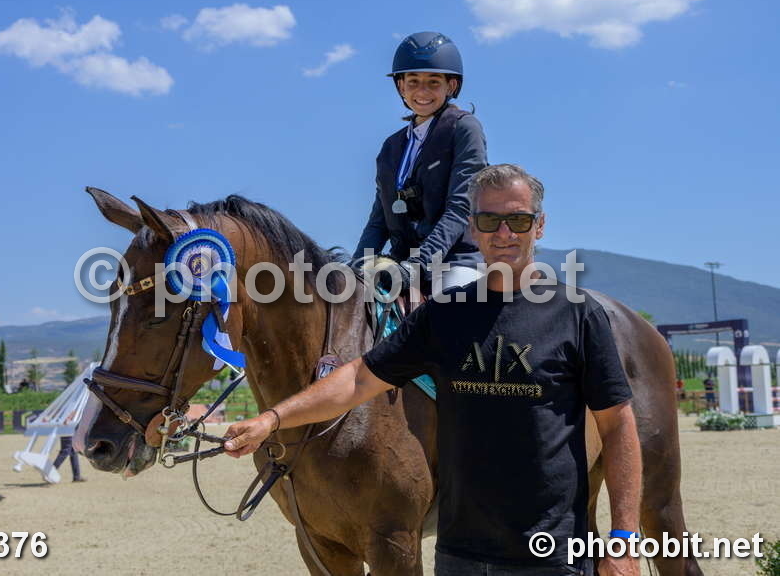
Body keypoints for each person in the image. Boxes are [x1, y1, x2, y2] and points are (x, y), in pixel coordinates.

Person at [224, 164, 642, 576]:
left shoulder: (578, 315)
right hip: (461, 556)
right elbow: (358, 378)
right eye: (489, 220)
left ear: (540, 225)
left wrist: (624, 539)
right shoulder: (443, 316)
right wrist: (272, 419)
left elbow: (618, 426)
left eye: (518, 220)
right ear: (473, 227)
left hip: (550, 556)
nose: (504, 233)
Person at [354, 32, 488, 294]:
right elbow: (379, 219)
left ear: (451, 86)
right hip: (399, 264)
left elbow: (461, 206)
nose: (422, 91)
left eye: (433, 82)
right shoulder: (391, 147)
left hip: (454, 261)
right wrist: (357, 265)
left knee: (451, 308)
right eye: (413, 81)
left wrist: (418, 265)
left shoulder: (464, 129)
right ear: (401, 86)